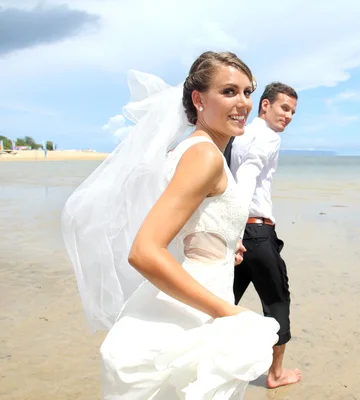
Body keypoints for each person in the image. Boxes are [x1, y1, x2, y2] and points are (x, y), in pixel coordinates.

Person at [61, 51, 280, 400]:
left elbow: (187, 221)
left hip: (196, 287)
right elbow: (145, 251)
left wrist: (222, 244)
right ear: (198, 99)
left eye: (247, 92)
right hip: (196, 308)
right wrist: (228, 312)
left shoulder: (186, 150)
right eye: (229, 92)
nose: (243, 103)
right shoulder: (205, 156)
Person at [227, 82, 301, 389]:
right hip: (255, 232)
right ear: (265, 105)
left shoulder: (236, 134)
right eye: (284, 108)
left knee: (222, 302)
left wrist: (229, 233)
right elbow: (247, 177)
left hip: (232, 232)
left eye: (293, 112)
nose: (289, 116)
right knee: (277, 302)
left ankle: (208, 366)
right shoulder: (267, 137)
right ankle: (275, 374)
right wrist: (236, 232)